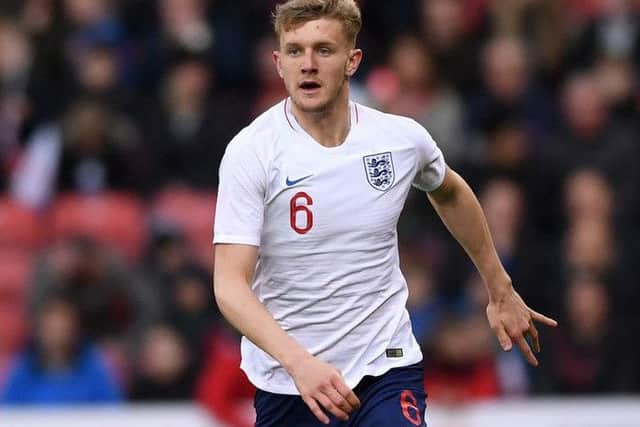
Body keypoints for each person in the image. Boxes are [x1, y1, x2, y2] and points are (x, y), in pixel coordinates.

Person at [212, 1, 557, 426]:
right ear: (278, 62)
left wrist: (499, 286)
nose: (308, 65)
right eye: (295, 51)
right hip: (290, 381)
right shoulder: (252, 153)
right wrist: (298, 363)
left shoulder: (398, 140)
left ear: (352, 60)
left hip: (386, 365)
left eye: (323, 50)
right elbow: (229, 285)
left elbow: (449, 191)